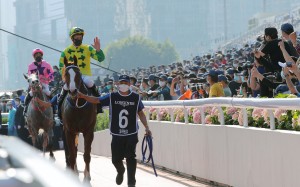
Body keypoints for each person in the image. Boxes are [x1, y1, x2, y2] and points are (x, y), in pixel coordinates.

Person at [77, 75, 152, 187]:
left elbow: (141, 113)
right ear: (118, 84)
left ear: (129, 85)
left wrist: (147, 127)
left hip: (131, 132)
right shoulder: (112, 96)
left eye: (126, 83)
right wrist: (83, 96)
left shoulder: (136, 97)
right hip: (117, 133)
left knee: (131, 157)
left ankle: (131, 183)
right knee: (116, 160)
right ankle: (120, 170)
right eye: (121, 82)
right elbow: (97, 100)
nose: (124, 85)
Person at [57, 26, 105, 121]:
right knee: (65, 88)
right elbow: (60, 66)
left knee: (89, 82)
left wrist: (98, 50)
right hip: (71, 76)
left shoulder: (88, 48)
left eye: (80, 37)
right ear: (72, 38)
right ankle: (59, 110)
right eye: (76, 37)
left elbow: (100, 58)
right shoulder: (65, 51)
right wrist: (66, 77)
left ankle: (99, 106)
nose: (79, 39)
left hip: (85, 75)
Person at [24, 48, 54, 116]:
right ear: (34, 56)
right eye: (36, 55)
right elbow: (29, 76)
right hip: (35, 85)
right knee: (29, 95)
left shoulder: (47, 64)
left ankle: (54, 110)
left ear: (41, 55)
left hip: (44, 84)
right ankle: (25, 110)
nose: (38, 56)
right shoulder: (30, 66)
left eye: (39, 54)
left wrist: (46, 78)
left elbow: (51, 75)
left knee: (49, 94)